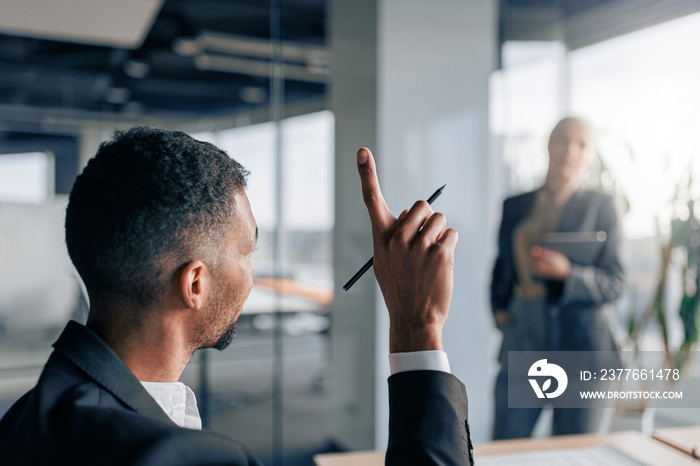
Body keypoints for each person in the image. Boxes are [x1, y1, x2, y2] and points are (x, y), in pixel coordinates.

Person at [0, 127, 473, 465]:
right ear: (196, 284)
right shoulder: (180, 456)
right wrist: (418, 327)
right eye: (248, 252)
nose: (252, 274)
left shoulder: (23, 419)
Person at [490, 117, 624, 440]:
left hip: (582, 343)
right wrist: (499, 306)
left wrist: (569, 274)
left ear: (590, 155)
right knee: (507, 446)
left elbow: (616, 281)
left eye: (582, 144)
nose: (571, 150)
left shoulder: (602, 206)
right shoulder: (515, 205)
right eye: (563, 139)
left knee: (574, 453)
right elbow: (501, 266)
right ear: (548, 145)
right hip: (524, 333)